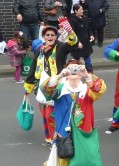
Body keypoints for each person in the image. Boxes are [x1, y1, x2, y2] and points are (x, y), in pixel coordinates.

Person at [41, 59, 106, 166]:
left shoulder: (87, 89)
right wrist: (60, 75)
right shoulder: (59, 88)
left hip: (83, 135)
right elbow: (45, 89)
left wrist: (87, 75)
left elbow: (101, 89)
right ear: (66, 71)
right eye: (70, 68)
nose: (74, 71)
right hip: (63, 135)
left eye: (77, 68)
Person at [23, 18, 79, 146]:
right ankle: (49, 138)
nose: (50, 37)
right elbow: (33, 69)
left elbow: (73, 44)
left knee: (51, 115)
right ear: (44, 37)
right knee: (44, 114)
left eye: (52, 35)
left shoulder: (61, 47)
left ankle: (57, 139)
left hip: (57, 87)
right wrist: (28, 88)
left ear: (55, 37)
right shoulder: (40, 51)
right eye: (47, 35)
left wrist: (70, 31)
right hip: (41, 87)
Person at [69, 4, 94, 73]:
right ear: (76, 11)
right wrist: (77, 42)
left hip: (86, 43)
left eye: (82, 9)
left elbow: (89, 28)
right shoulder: (72, 20)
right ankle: (74, 75)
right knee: (75, 62)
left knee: (88, 61)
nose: (82, 11)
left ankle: (90, 75)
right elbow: (72, 33)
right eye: (80, 9)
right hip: (77, 44)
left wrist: (91, 35)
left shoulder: (85, 18)